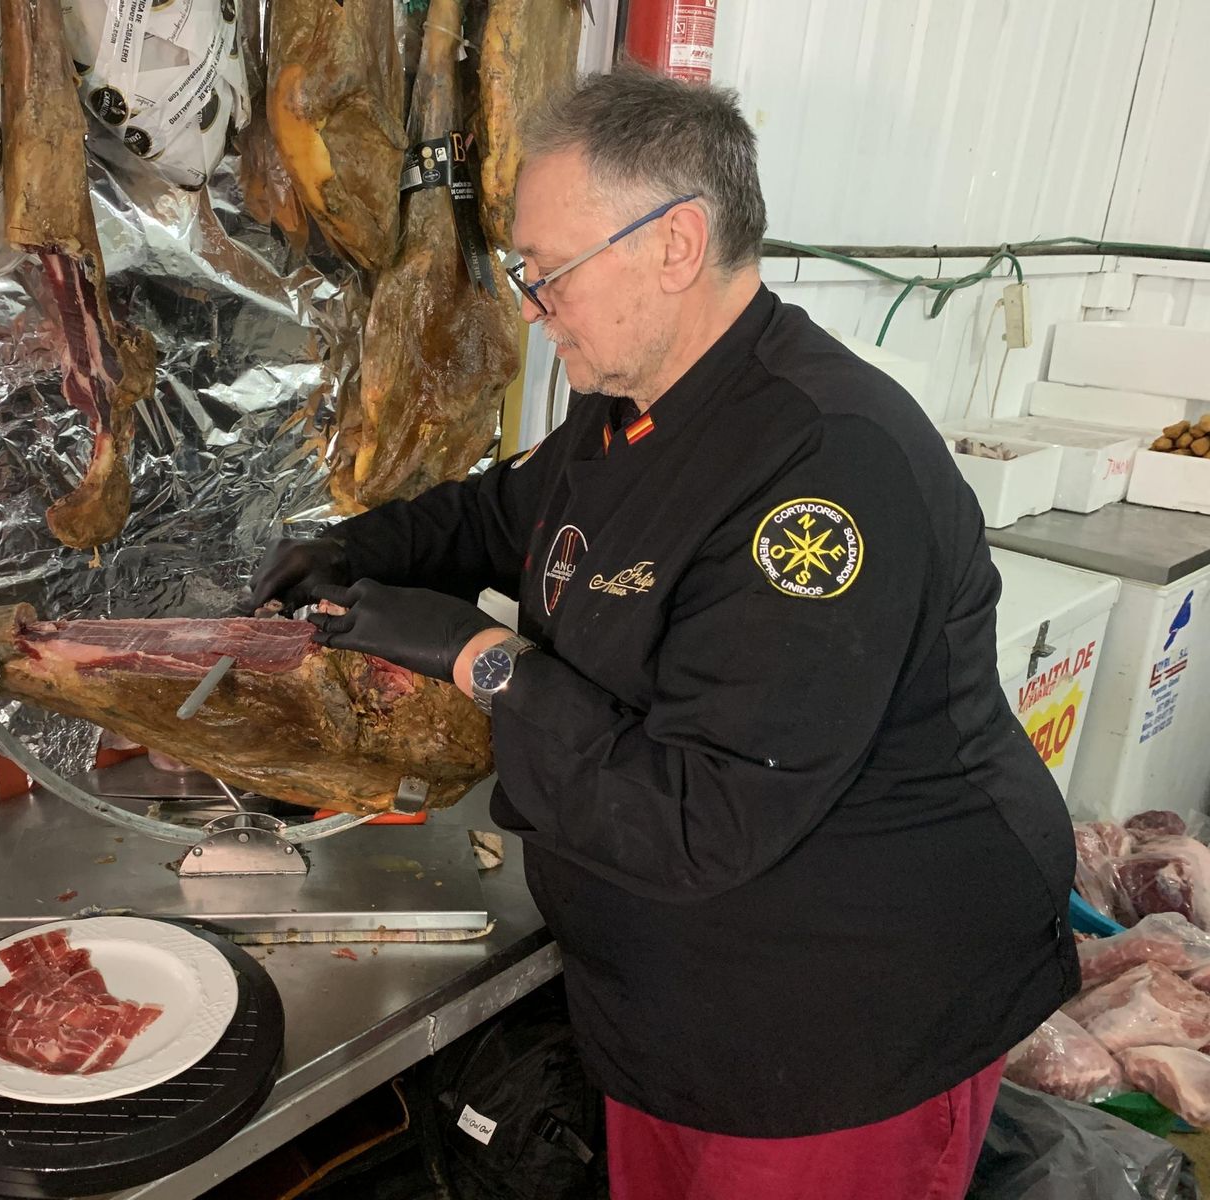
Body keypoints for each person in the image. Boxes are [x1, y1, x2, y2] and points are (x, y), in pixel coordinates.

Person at [250, 67, 1077, 1200]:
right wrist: (361, 544)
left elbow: (704, 812)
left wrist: (476, 656)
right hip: (670, 1007)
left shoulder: (827, 468)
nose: (534, 312)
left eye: (549, 276)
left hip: (838, 1029)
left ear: (676, 243)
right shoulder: (627, 406)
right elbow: (504, 514)